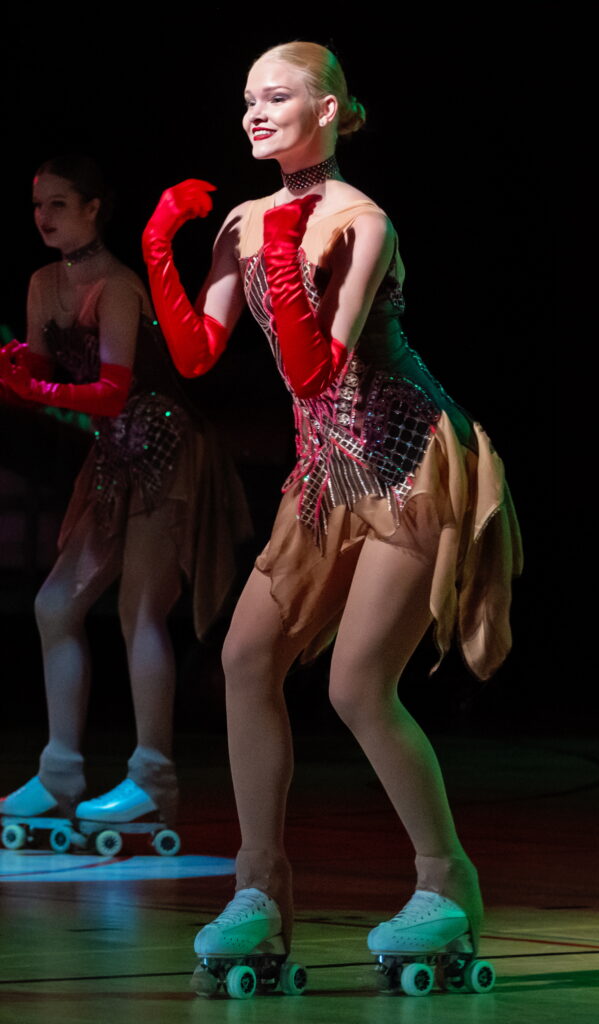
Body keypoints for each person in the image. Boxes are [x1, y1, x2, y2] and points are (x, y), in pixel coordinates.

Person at [142, 41, 522, 975]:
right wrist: (159, 246)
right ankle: (258, 888)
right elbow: (196, 356)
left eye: (276, 96)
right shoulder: (245, 220)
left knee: (356, 683)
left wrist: (283, 257)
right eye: (246, 98)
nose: (253, 112)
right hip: (326, 472)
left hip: (408, 463)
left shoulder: (362, 221)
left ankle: (445, 882)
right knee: (245, 657)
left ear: (328, 110)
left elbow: (319, 370)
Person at [0, 155, 251, 837]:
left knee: (141, 609)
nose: (44, 217)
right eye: (37, 205)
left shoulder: (115, 284)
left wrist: (34, 387)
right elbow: (42, 375)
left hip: (168, 450)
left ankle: (152, 777)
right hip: (116, 455)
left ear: (93, 209)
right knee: (56, 604)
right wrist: (17, 377)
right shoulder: (43, 283)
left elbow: (111, 391)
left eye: (59, 204)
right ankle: (59, 771)